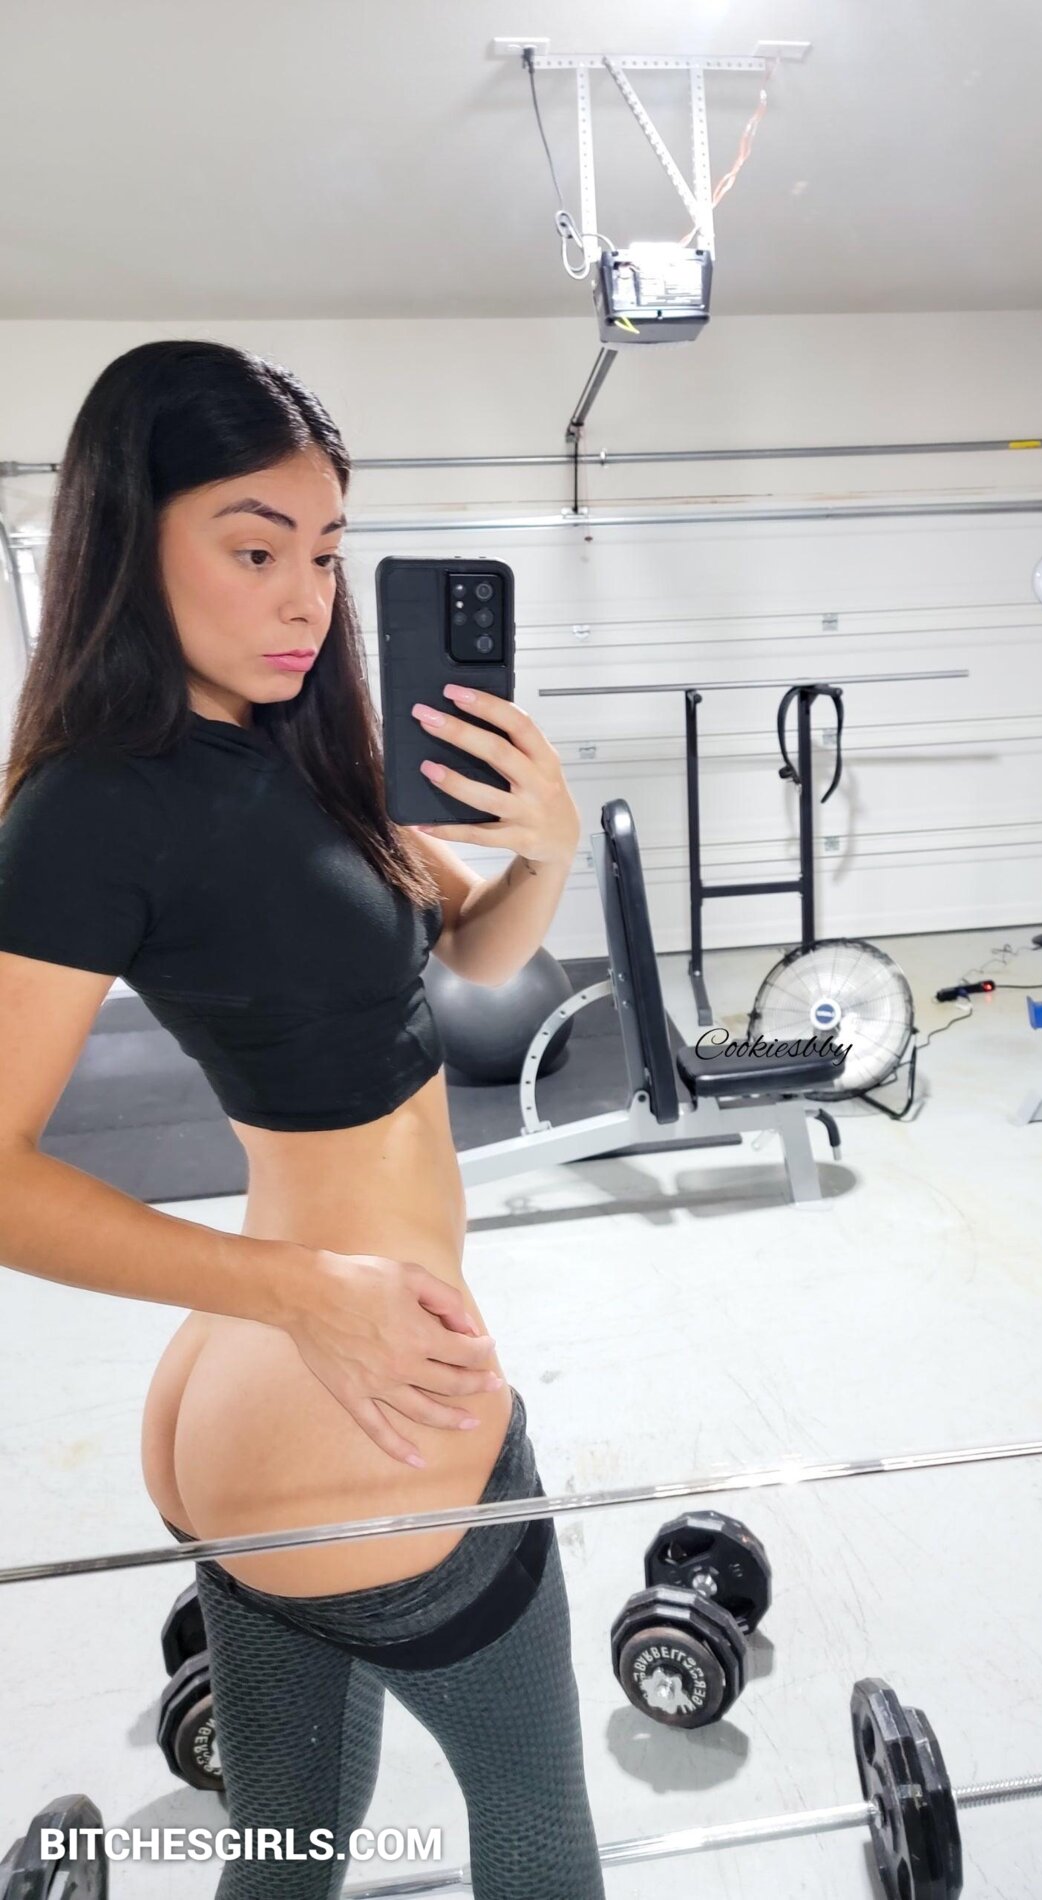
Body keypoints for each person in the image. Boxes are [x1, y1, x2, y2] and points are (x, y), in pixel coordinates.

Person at [0, 340, 605, 1898]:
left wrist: (544, 851)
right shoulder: (91, 808)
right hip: (349, 1387)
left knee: (291, 1843)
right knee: (540, 1837)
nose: (304, 600)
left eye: (325, 555)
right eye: (255, 549)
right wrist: (306, 1300)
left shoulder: (305, 747)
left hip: (280, 1397)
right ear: (128, 544)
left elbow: (472, 956)